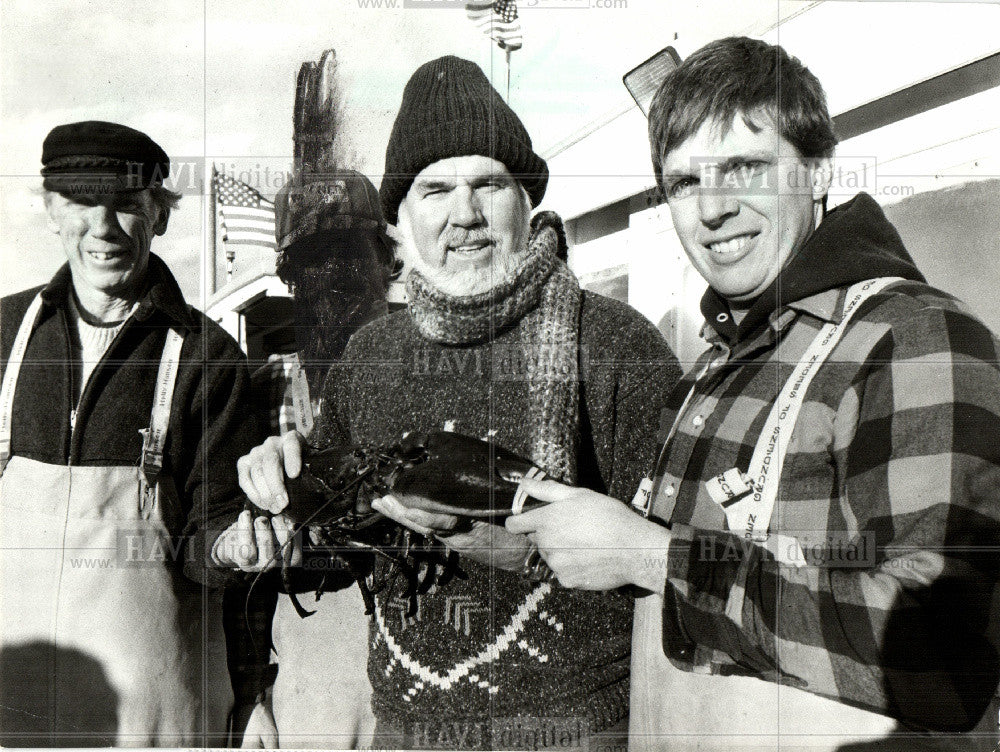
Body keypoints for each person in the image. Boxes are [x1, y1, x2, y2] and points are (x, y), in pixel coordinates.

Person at [506, 37, 1000, 749]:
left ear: (819, 169)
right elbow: (678, 592)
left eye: (743, 168)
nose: (712, 211)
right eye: (683, 183)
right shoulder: (712, 371)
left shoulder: (912, 337)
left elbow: (941, 653)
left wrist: (650, 555)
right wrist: (523, 538)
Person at [235, 56, 681, 750]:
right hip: (407, 731)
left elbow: (672, 573)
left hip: (580, 729)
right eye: (436, 188)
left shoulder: (619, 344)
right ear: (404, 215)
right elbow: (340, 551)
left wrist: (527, 549)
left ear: (526, 197)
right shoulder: (370, 356)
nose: (465, 215)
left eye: (489, 185)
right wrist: (282, 499)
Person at [0, 120, 262, 746]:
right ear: (50, 211)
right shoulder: (4, 333)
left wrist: (232, 548)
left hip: (152, 717)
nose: (103, 228)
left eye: (126, 206)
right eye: (81, 204)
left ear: (160, 215)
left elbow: (213, 532)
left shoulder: (208, 357)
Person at [235, 170, 394, 748]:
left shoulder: (431, 371)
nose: (332, 292)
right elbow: (240, 563)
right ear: (289, 280)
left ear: (387, 263)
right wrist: (257, 694)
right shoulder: (268, 388)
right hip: (314, 644)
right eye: (311, 273)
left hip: (428, 632)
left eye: (351, 266)